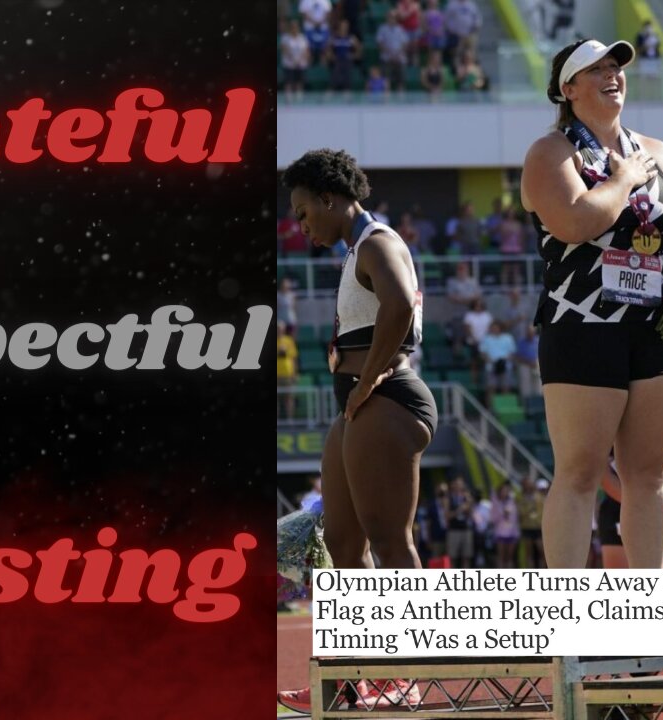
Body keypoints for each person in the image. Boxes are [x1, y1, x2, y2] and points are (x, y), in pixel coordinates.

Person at [520, 39, 663, 569]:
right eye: (595, 70)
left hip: (654, 324)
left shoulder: (659, 152)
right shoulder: (551, 152)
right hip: (582, 322)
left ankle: (648, 619)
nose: (612, 75)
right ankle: (567, 631)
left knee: (649, 475)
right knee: (579, 472)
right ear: (568, 90)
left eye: (616, 67)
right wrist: (623, 180)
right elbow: (574, 222)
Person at [278, 148, 433, 711]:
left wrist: (366, 381)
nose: (301, 225)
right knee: (342, 544)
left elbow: (397, 307)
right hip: (359, 404)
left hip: (386, 400)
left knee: (391, 541)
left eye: (302, 212)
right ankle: (345, 681)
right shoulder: (354, 251)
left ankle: (408, 676)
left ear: (329, 198)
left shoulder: (376, 242)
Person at [598, 422, 663, 569]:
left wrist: (660, 501)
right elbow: (601, 469)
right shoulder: (611, 419)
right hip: (618, 504)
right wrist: (633, 504)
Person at [445, 477, 475, 568]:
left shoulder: (466, 497)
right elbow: (447, 516)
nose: (459, 486)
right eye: (457, 484)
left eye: (460, 484)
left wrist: (469, 505)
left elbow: (472, 515)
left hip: (466, 530)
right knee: (452, 557)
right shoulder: (449, 498)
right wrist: (459, 510)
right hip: (454, 530)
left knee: (466, 557)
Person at [489, 482, 520, 568]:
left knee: (510, 557)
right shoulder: (496, 503)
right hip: (500, 532)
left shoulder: (512, 502)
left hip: (512, 532)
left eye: (507, 490)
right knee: (501, 557)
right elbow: (493, 518)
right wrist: (502, 513)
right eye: (503, 490)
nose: (505, 492)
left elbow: (515, 517)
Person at [280, 19, 312, 101]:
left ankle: (299, 98)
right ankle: (288, 99)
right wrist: (293, 59)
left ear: (298, 28)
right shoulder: (285, 38)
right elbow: (284, 50)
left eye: (296, 27)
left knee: (300, 82)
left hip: (300, 64)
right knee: (288, 81)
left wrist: (299, 60)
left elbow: (306, 51)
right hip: (289, 64)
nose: (294, 29)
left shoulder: (302, 38)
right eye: (292, 27)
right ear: (290, 28)